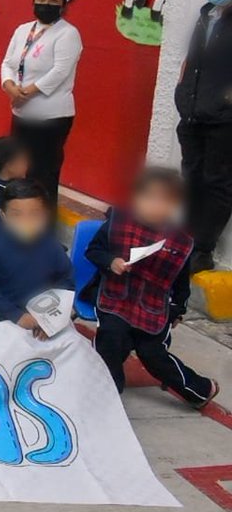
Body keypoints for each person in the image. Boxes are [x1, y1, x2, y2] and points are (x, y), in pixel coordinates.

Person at [84, 167, 219, 408]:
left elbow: (180, 281)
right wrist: (111, 262)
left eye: (164, 201)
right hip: (116, 300)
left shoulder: (180, 241)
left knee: (153, 355)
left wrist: (177, 309)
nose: (155, 206)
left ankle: (198, 390)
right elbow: (93, 251)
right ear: (136, 199)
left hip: (152, 308)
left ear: (175, 205)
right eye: (149, 198)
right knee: (111, 340)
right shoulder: (117, 224)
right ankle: (109, 392)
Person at [0, 0, 83, 212]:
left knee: (42, 173)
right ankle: (18, 219)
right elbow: (8, 62)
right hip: (21, 111)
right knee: (17, 168)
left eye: (54, 1)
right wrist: (9, 85)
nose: (46, 4)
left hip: (51, 117)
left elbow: (60, 71)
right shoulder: (23, 30)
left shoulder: (68, 34)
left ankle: (44, 229)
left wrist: (27, 91)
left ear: (63, 5)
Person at [174, 0, 232, 273]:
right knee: (191, 178)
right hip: (193, 115)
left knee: (217, 183)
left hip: (223, 122)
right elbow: (192, 62)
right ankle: (187, 239)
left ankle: (204, 249)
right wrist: (183, 95)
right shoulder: (206, 14)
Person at [0, 178, 73, 339]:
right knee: (18, 348)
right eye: (17, 215)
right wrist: (17, 316)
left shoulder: (53, 248)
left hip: (45, 315)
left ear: (46, 216)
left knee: (71, 344)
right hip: (3, 314)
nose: (26, 221)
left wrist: (49, 320)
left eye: (34, 214)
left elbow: (66, 282)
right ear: (3, 216)